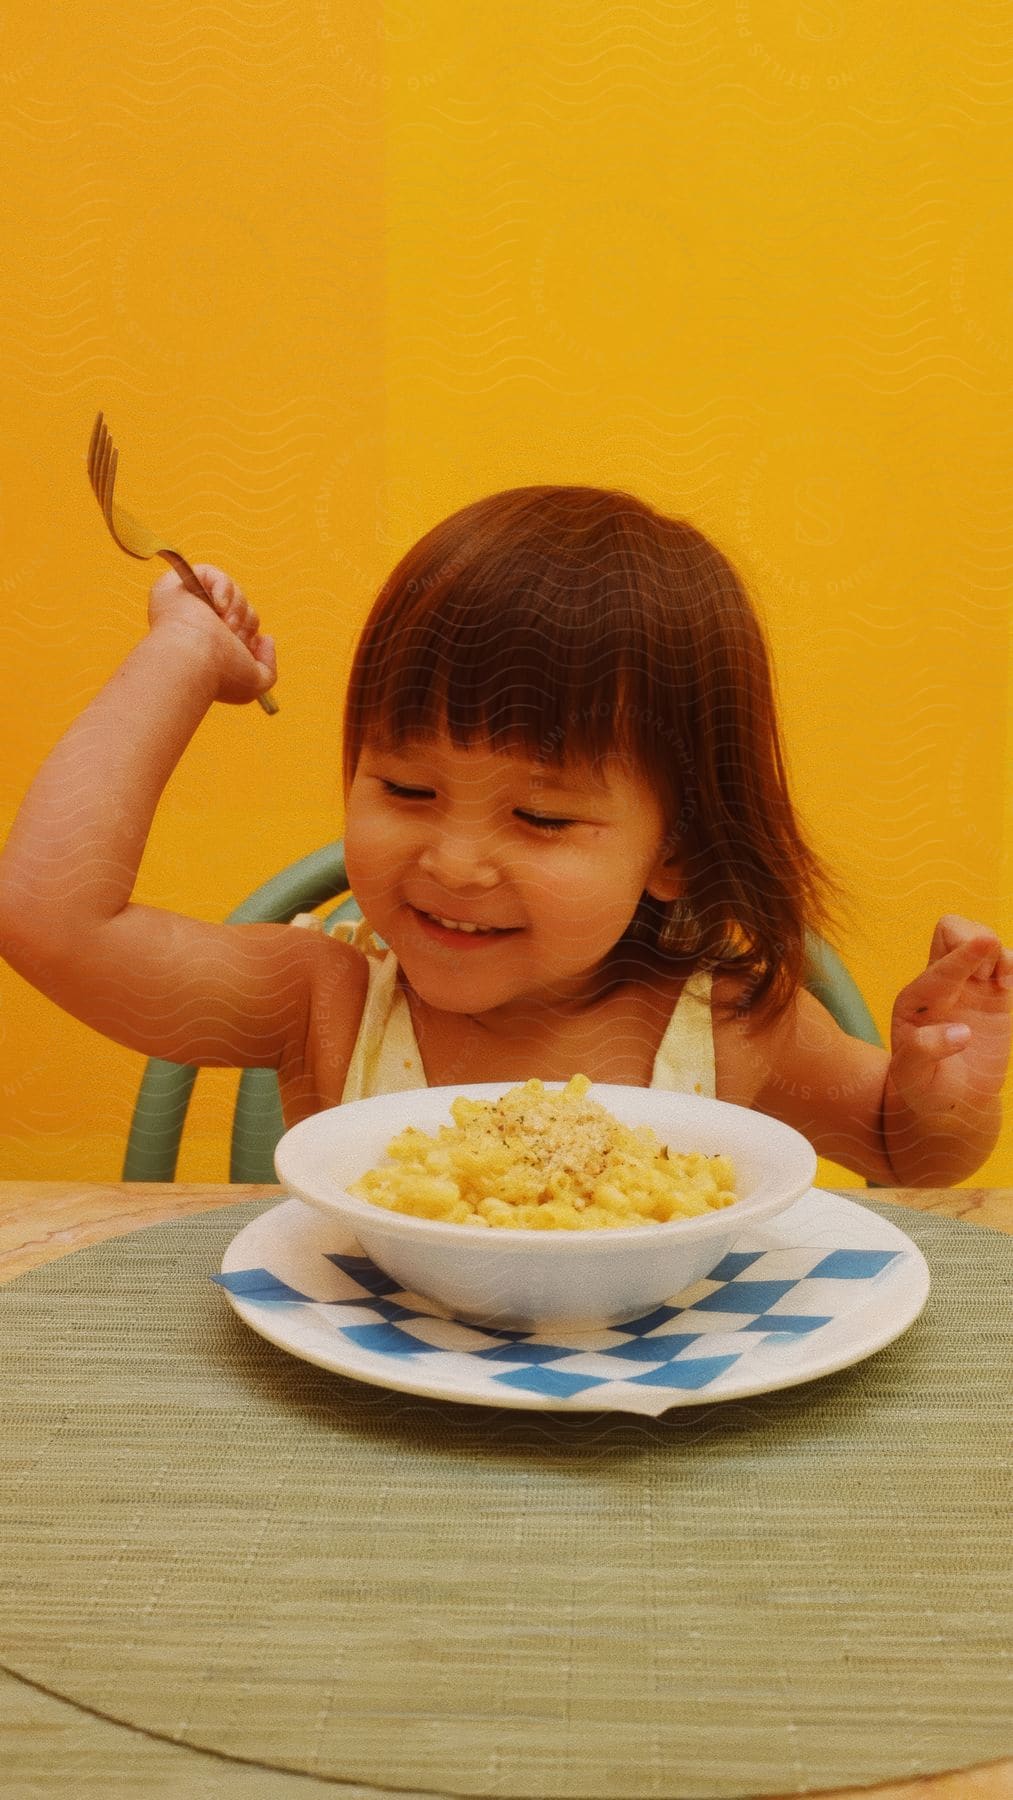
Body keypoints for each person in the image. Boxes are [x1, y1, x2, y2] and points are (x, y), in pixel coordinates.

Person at [0, 485, 1009, 1185]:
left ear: (676, 850)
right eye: (405, 787)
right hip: (362, 1428)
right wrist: (180, 655)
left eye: (538, 817)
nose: (453, 862)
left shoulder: (730, 1030)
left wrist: (943, 1088)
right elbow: (49, 920)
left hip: (651, 1439)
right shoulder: (325, 1002)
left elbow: (900, 1148)